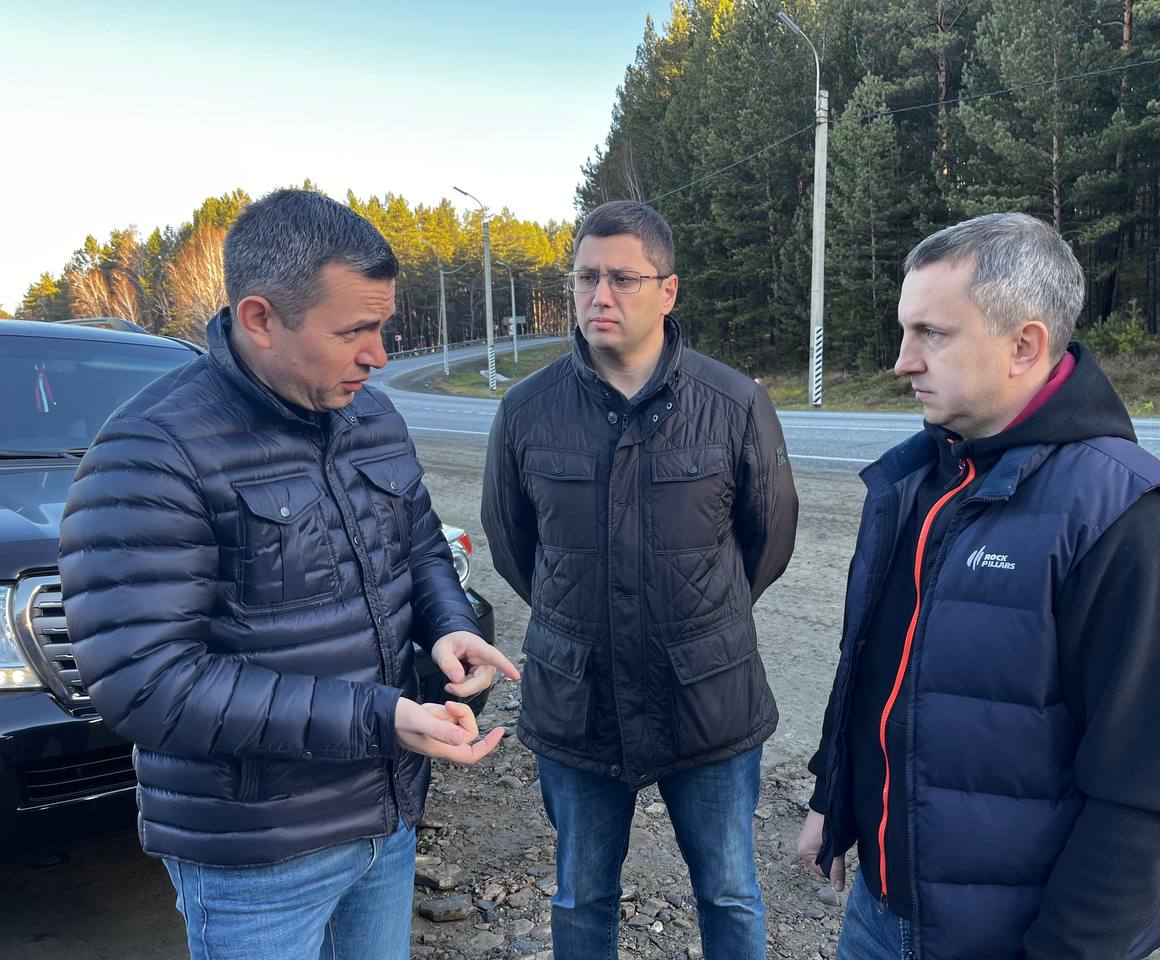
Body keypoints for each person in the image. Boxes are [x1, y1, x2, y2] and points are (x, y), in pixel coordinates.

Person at [59, 188, 519, 960]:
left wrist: (449, 627)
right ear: (260, 319)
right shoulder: (151, 452)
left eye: (382, 327)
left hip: (385, 819)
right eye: (354, 331)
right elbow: (146, 685)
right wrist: (380, 717)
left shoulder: (371, 416)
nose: (378, 355)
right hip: (257, 856)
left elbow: (419, 547)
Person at [796, 212, 1160, 960]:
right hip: (878, 910)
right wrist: (835, 794)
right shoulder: (918, 480)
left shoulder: (1133, 521)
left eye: (931, 333)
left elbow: (1147, 800)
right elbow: (873, 669)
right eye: (905, 330)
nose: (902, 361)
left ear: (1024, 344)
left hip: (1008, 938)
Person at [481, 200, 798, 960]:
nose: (601, 295)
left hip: (708, 698)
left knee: (730, 892)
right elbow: (513, 546)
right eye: (586, 277)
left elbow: (769, 539)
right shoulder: (526, 411)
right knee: (580, 896)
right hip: (577, 701)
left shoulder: (734, 404)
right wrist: (580, 617)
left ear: (668, 291)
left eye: (623, 278)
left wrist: (700, 618)